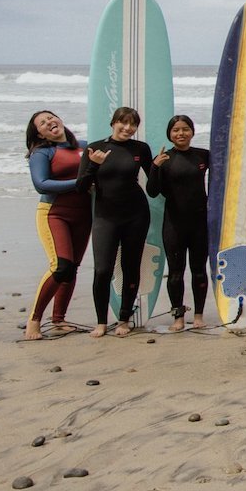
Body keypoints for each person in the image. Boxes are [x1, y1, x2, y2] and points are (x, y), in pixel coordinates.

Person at [76, 107, 154, 338]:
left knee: (130, 268)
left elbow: (153, 186)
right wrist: (94, 165)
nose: (128, 128)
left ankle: (124, 319)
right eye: (124, 123)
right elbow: (81, 187)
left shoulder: (141, 149)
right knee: (102, 270)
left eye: (133, 125)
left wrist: (159, 168)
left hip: (136, 215)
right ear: (113, 122)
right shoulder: (95, 148)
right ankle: (101, 322)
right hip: (105, 216)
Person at [24, 110, 91, 339]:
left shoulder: (83, 146)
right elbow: (42, 184)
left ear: (60, 120)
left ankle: (59, 321)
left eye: (50, 117)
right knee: (60, 266)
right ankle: (34, 320)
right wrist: (80, 183)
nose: (49, 122)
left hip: (84, 215)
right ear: (40, 133)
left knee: (71, 268)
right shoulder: (42, 152)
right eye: (42, 123)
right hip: (54, 214)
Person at [145, 114, 210, 332]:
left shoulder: (203, 156)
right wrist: (155, 167)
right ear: (169, 134)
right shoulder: (164, 158)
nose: (180, 133)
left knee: (199, 269)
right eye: (176, 130)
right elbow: (152, 192)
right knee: (175, 271)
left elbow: (222, 178)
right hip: (174, 223)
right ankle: (178, 316)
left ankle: (199, 315)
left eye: (185, 129)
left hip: (200, 222)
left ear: (192, 131)